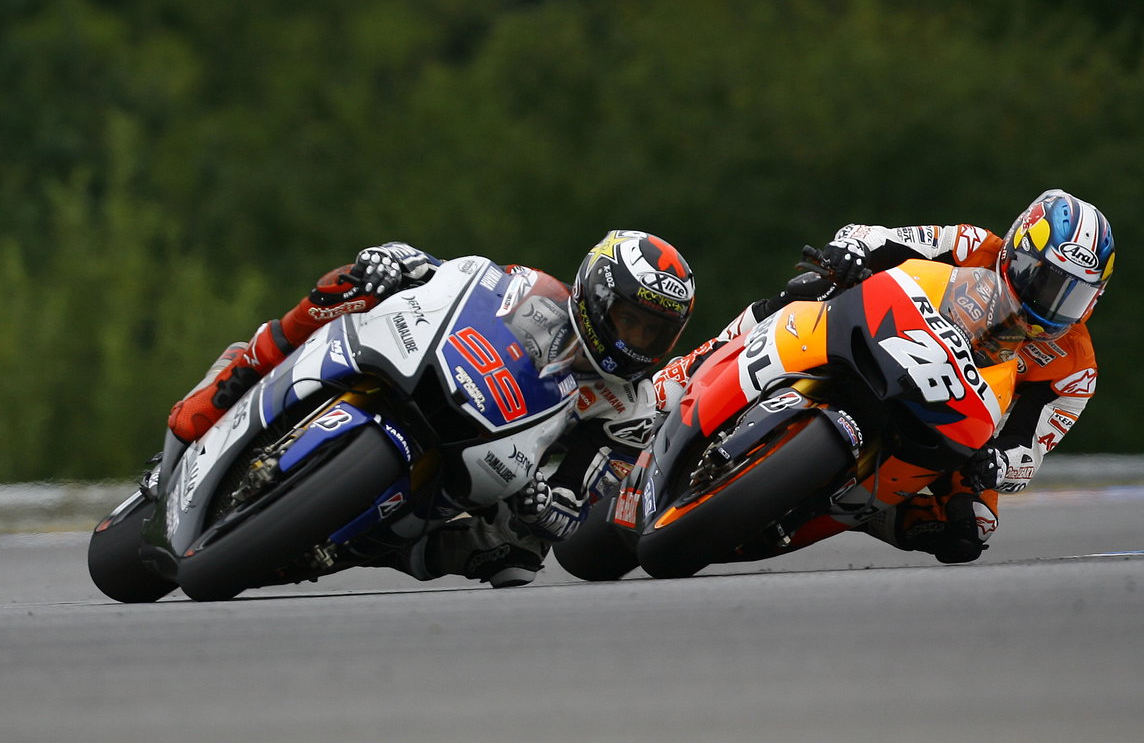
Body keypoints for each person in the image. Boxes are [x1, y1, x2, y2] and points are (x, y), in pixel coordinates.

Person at [163, 231, 697, 586]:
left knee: (517, 558)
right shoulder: (533, 289)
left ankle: (346, 547)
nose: (638, 339)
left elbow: (582, 501)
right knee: (353, 281)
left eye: (654, 332)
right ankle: (241, 373)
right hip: (439, 375)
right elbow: (454, 278)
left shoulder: (630, 404)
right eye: (631, 319)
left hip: (491, 463)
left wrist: (547, 507)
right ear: (598, 293)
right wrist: (398, 260)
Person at [646, 188, 1115, 564]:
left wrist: (1000, 464)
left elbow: (1030, 448)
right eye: (1046, 280)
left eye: (1072, 295)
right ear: (1017, 252)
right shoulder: (973, 246)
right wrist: (851, 251)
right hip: (887, 332)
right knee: (808, 289)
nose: (1051, 303)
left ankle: (852, 508)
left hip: (957, 415)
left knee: (971, 527)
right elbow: (882, 237)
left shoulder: (1076, 368)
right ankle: (679, 378)